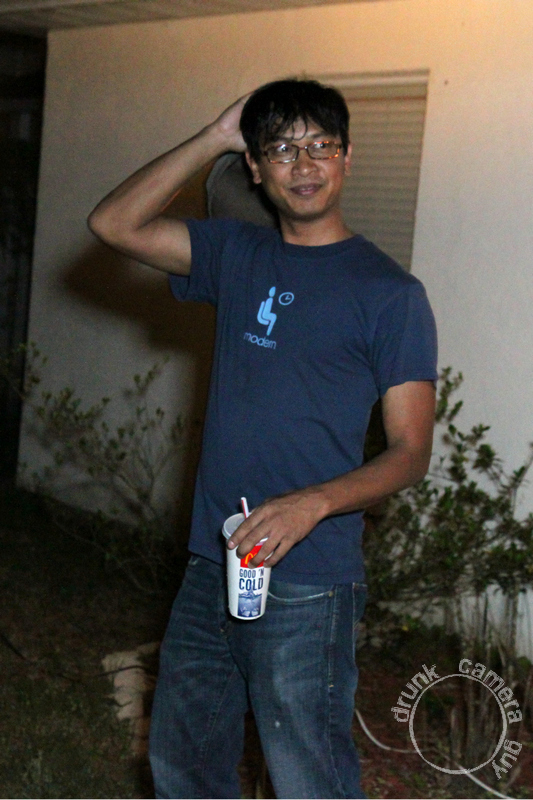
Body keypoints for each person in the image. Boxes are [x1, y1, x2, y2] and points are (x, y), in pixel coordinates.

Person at [88, 78, 438, 799]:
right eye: (280, 149)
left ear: (347, 157)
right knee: (184, 766)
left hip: (309, 581)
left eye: (320, 146)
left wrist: (313, 503)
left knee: (309, 780)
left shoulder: (390, 294)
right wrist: (216, 135)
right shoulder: (235, 253)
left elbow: (411, 452)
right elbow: (113, 223)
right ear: (254, 167)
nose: (303, 164)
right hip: (211, 565)